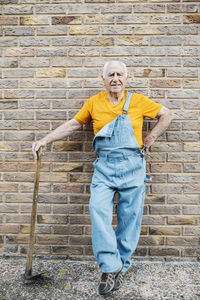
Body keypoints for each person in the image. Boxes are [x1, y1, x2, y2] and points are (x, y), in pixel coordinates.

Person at [32, 60, 173, 296]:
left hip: (133, 167)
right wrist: (45, 140)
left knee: (130, 218)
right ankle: (109, 266)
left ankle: (121, 266)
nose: (115, 78)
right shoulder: (94, 102)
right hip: (104, 168)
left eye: (120, 74)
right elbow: (73, 124)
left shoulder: (138, 101)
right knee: (98, 211)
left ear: (126, 78)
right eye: (111, 75)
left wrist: (150, 139)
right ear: (103, 78)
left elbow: (167, 114)